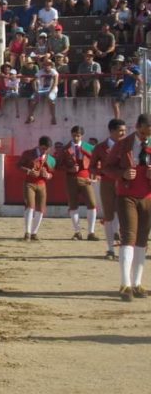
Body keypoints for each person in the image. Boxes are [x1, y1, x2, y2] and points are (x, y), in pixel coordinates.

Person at [104, 114, 151, 301]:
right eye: (147, 128)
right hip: (127, 195)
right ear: (138, 126)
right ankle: (125, 285)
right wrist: (122, 174)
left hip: (148, 197)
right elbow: (107, 168)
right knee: (128, 237)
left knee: (142, 240)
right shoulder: (123, 144)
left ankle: (137, 283)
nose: (148, 132)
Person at [91, 118, 127, 259]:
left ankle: (125, 248)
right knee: (108, 215)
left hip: (125, 183)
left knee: (125, 214)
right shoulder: (100, 148)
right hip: (107, 183)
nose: (123, 133)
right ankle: (110, 249)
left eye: (124, 131)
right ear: (112, 131)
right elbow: (92, 166)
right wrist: (100, 172)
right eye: (121, 131)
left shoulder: (128, 146)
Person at [57, 125, 99, 241]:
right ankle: (77, 232)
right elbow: (58, 166)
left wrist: (94, 177)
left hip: (86, 178)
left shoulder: (89, 148)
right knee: (73, 205)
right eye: (74, 135)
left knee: (92, 204)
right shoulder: (65, 149)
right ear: (71, 135)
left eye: (78, 136)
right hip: (71, 179)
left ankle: (91, 232)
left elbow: (97, 163)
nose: (76, 138)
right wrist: (69, 169)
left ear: (82, 136)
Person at [17, 135, 55, 240]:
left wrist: (47, 175)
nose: (44, 151)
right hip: (29, 183)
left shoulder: (50, 158)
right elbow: (18, 166)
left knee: (40, 209)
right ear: (39, 145)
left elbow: (51, 174)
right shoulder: (28, 154)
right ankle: (27, 232)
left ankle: (34, 233)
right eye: (43, 148)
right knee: (30, 206)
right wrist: (29, 171)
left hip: (42, 185)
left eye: (47, 149)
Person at [25, 58, 58, 125]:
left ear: (51, 66)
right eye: (46, 65)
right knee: (32, 99)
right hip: (41, 90)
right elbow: (34, 81)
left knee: (51, 99)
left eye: (48, 65)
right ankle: (30, 116)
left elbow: (55, 82)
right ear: (44, 66)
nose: (47, 66)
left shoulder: (54, 72)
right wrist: (36, 91)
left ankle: (53, 117)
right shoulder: (40, 72)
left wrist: (50, 91)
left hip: (51, 89)